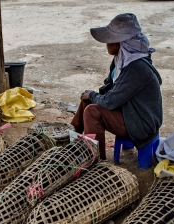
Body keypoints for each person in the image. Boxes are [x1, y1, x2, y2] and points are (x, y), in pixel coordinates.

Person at [70, 13, 163, 161]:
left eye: (109, 41)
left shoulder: (136, 67)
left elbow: (111, 101)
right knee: (87, 101)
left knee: (92, 111)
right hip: (129, 110)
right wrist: (92, 96)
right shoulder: (120, 60)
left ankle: (96, 160)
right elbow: (110, 87)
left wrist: (94, 96)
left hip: (142, 123)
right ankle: (71, 136)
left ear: (120, 44)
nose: (106, 44)